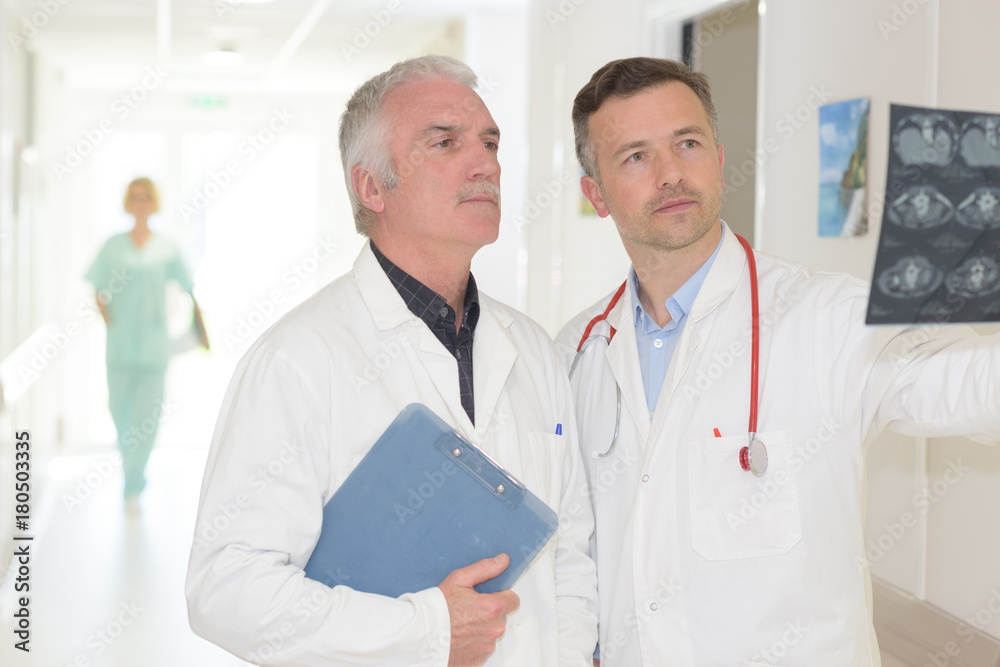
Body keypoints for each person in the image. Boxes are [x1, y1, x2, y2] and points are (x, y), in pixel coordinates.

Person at [556, 57, 1000, 666]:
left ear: (717, 158)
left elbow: (968, 386)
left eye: (687, 143)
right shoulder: (575, 349)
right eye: (635, 156)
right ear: (595, 194)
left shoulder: (829, 317)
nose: (669, 174)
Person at [185, 55, 598, 666]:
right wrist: (425, 631)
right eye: (445, 142)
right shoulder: (297, 360)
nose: (485, 163)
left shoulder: (533, 348)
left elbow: (571, 556)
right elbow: (227, 591)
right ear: (371, 187)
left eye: (489, 142)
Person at [86, 177, 208, 516]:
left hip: (155, 347)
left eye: (146, 198)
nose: (140, 203)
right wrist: (112, 321)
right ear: (128, 203)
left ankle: (134, 484)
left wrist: (197, 327)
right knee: (120, 414)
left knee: (147, 419)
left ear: (153, 204)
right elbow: (97, 288)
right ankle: (131, 474)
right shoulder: (113, 246)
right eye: (134, 197)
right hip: (120, 346)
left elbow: (189, 289)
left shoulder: (166, 248)